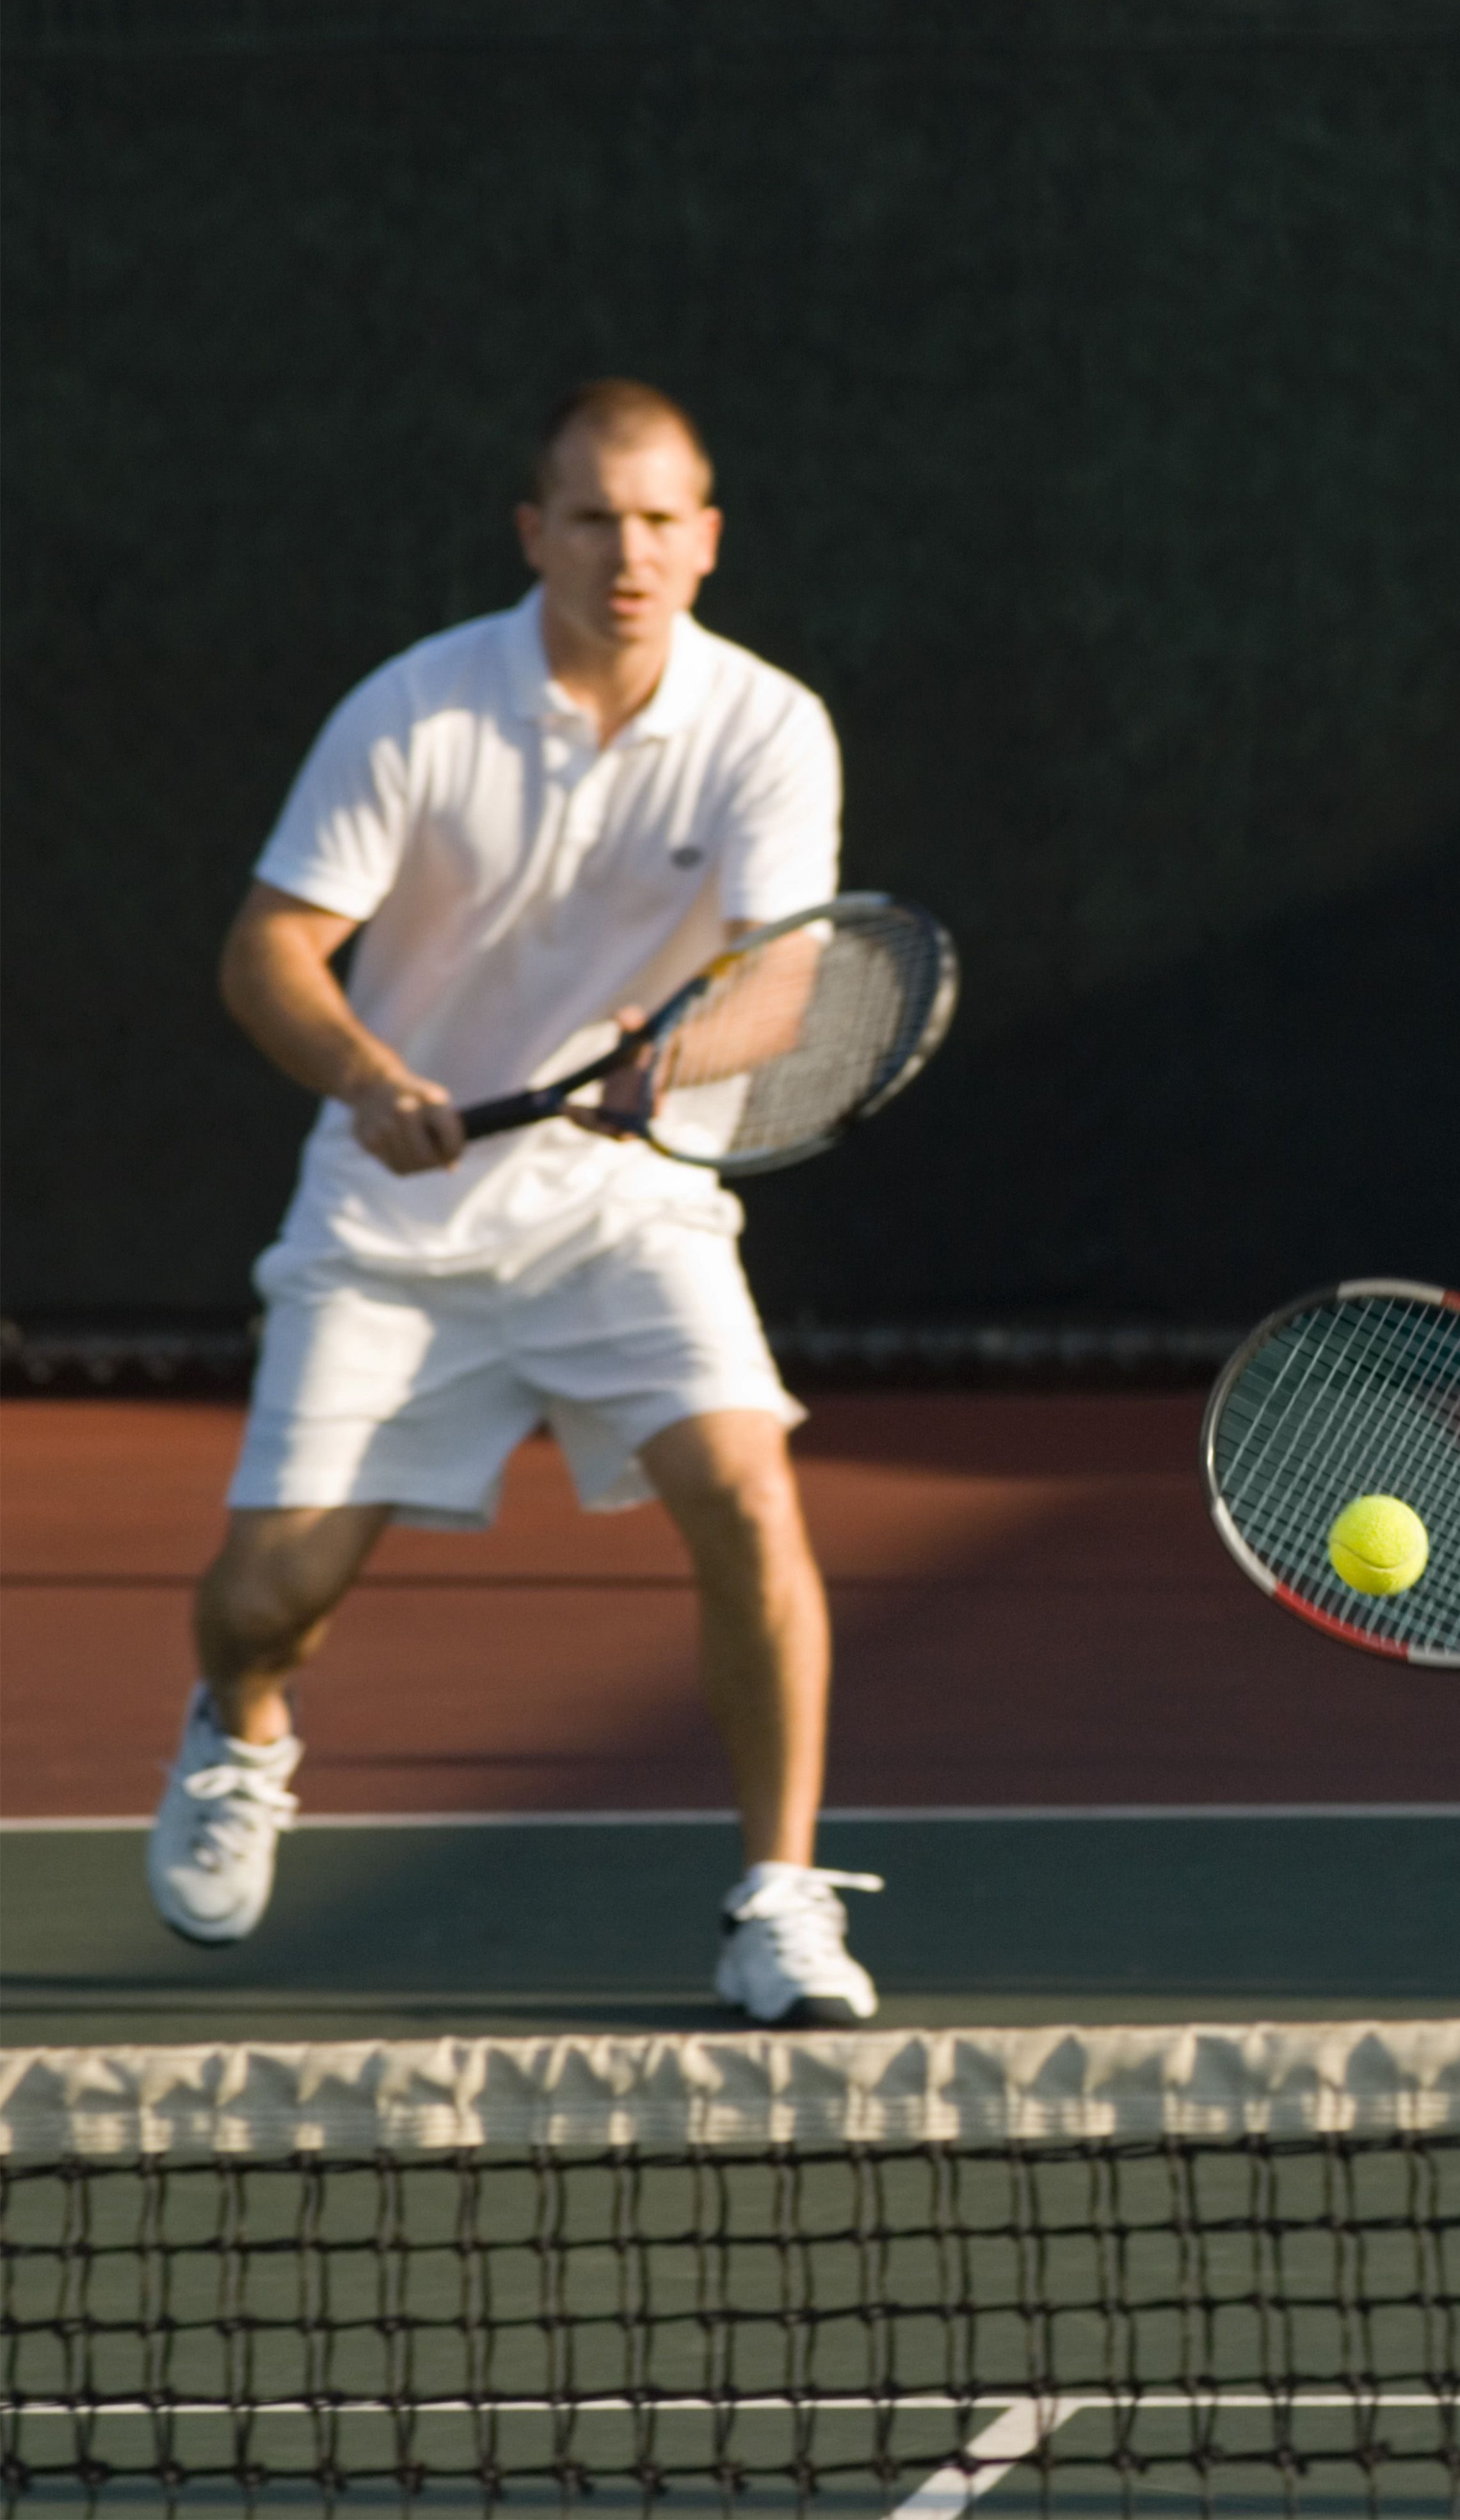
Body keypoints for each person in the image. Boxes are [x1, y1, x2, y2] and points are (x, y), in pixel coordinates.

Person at [149, 379, 884, 2028]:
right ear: (535, 533)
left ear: (706, 539)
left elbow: (789, 984)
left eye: (659, 520)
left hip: (626, 1205)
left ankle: (778, 1901)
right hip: (390, 1226)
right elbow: (268, 948)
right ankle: (241, 1734)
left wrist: (665, 1046)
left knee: (750, 1492)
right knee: (267, 1601)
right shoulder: (416, 711)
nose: (628, 552)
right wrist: (366, 1077)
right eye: (593, 519)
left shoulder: (771, 724)